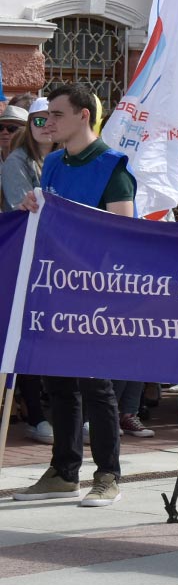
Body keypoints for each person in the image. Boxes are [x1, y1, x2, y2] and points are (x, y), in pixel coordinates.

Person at [13, 84, 136, 508]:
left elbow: (124, 231)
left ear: (84, 115)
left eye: (57, 114)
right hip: (55, 287)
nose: (48, 122)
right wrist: (33, 206)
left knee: (95, 384)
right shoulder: (52, 163)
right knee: (58, 382)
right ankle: (64, 472)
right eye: (46, 115)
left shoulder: (113, 167)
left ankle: (108, 475)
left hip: (95, 293)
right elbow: (47, 219)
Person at [3, 102, 55, 444]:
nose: (46, 126)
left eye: (52, 118)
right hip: (24, 261)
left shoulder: (61, 160)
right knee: (24, 338)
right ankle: (35, 415)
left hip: (55, 262)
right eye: (38, 120)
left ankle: (66, 416)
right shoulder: (17, 162)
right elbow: (21, 209)